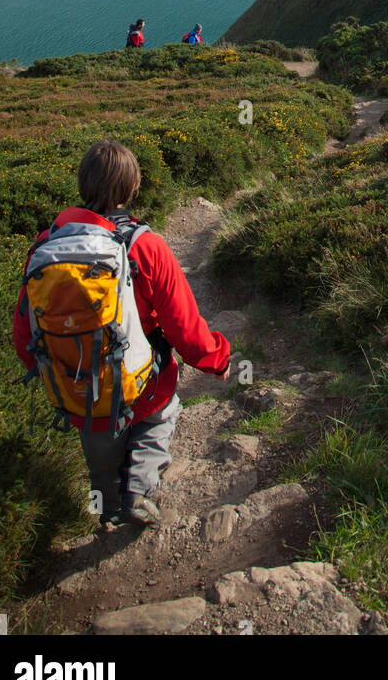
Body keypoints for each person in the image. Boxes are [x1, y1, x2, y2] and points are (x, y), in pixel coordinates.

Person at [13, 139, 230, 529]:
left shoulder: (44, 250)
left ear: (83, 184)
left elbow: (24, 333)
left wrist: (53, 369)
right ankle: (138, 494)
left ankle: (105, 512)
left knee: (99, 456)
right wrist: (217, 360)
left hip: (81, 388)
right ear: (133, 189)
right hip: (142, 383)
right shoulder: (145, 247)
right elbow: (184, 326)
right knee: (160, 418)